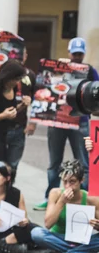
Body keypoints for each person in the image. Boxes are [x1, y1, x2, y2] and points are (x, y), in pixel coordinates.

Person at [33, 37, 98, 211]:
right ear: (69, 52)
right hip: (57, 121)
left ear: (84, 54)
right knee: (55, 162)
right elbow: (44, 89)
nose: (77, 56)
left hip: (80, 121)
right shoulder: (57, 69)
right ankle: (50, 197)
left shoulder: (90, 71)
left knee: (84, 162)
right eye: (74, 53)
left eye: (80, 53)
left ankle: (85, 199)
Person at [31, 160, 99, 253]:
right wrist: (61, 202)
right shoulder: (55, 193)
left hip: (81, 239)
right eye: (65, 181)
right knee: (36, 233)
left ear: (82, 180)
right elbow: (48, 224)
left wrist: (97, 225)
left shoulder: (91, 199)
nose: (67, 186)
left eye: (72, 181)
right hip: (59, 237)